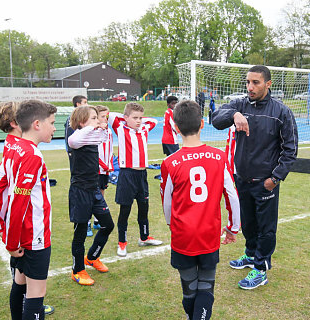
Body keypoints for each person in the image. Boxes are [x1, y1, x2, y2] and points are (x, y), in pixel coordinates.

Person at [212, 65, 298, 289]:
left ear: (268, 84)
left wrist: (275, 178)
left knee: (266, 228)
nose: (250, 87)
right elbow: (216, 120)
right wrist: (234, 114)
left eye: (255, 83)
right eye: (248, 82)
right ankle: (250, 255)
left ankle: (261, 268)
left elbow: (290, 150)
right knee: (248, 224)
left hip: (266, 183)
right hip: (242, 179)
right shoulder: (240, 104)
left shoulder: (281, 112)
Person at [160, 100, 240, 320]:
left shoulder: (170, 162)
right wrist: (233, 228)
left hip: (183, 235)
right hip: (208, 234)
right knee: (206, 287)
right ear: (203, 124)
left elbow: (167, 202)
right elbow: (232, 195)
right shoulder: (219, 157)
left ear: (175, 127)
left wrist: (171, 224)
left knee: (189, 289)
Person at [0, 101, 55, 317]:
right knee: (36, 294)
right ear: (37, 124)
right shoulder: (31, 155)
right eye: (52, 123)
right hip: (33, 235)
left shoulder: (14, 145)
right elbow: (19, 201)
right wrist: (11, 240)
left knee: (20, 282)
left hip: (23, 233)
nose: (55, 128)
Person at [108, 103, 163, 257]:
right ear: (125, 118)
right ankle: (122, 242)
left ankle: (144, 237)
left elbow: (154, 121)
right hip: (127, 175)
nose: (139, 121)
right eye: (135, 118)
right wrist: (126, 119)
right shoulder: (120, 128)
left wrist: (138, 121)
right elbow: (110, 114)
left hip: (142, 175)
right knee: (125, 210)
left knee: (143, 208)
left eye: (140, 118)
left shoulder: (144, 128)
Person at [68, 106, 114, 286]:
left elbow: (104, 136)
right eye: (93, 118)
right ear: (81, 122)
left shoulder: (91, 137)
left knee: (108, 225)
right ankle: (77, 270)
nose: (98, 121)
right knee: (79, 234)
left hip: (94, 189)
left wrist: (100, 126)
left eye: (97, 118)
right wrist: (92, 127)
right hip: (80, 191)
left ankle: (92, 257)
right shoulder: (77, 138)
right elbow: (74, 139)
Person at [64, 95, 93, 236]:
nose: (87, 105)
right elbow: (69, 140)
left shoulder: (89, 123)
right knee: (80, 192)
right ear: (77, 104)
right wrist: (71, 154)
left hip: (89, 165)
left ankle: (94, 219)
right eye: (85, 103)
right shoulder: (70, 121)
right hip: (78, 161)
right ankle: (84, 223)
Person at [88, 105, 114, 233]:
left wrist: (110, 164)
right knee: (91, 195)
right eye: (102, 116)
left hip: (105, 169)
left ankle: (97, 220)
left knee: (102, 194)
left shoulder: (108, 131)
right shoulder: (93, 131)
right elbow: (93, 153)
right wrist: (104, 165)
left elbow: (110, 150)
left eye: (107, 116)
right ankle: (87, 223)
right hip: (96, 169)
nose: (106, 119)